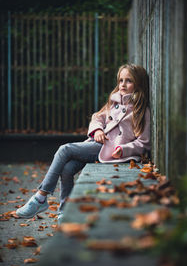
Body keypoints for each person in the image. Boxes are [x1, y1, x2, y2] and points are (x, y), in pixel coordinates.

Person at [16, 64, 151, 222]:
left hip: (111, 150)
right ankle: (64, 213)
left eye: (129, 81)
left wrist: (123, 149)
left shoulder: (141, 110)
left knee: (64, 149)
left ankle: (40, 197)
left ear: (139, 84)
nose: (122, 84)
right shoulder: (114, 102)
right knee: (67, 169)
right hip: (98, 144)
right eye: (120, 80)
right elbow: (97, 117)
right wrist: (98, 130)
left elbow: (144, 142)